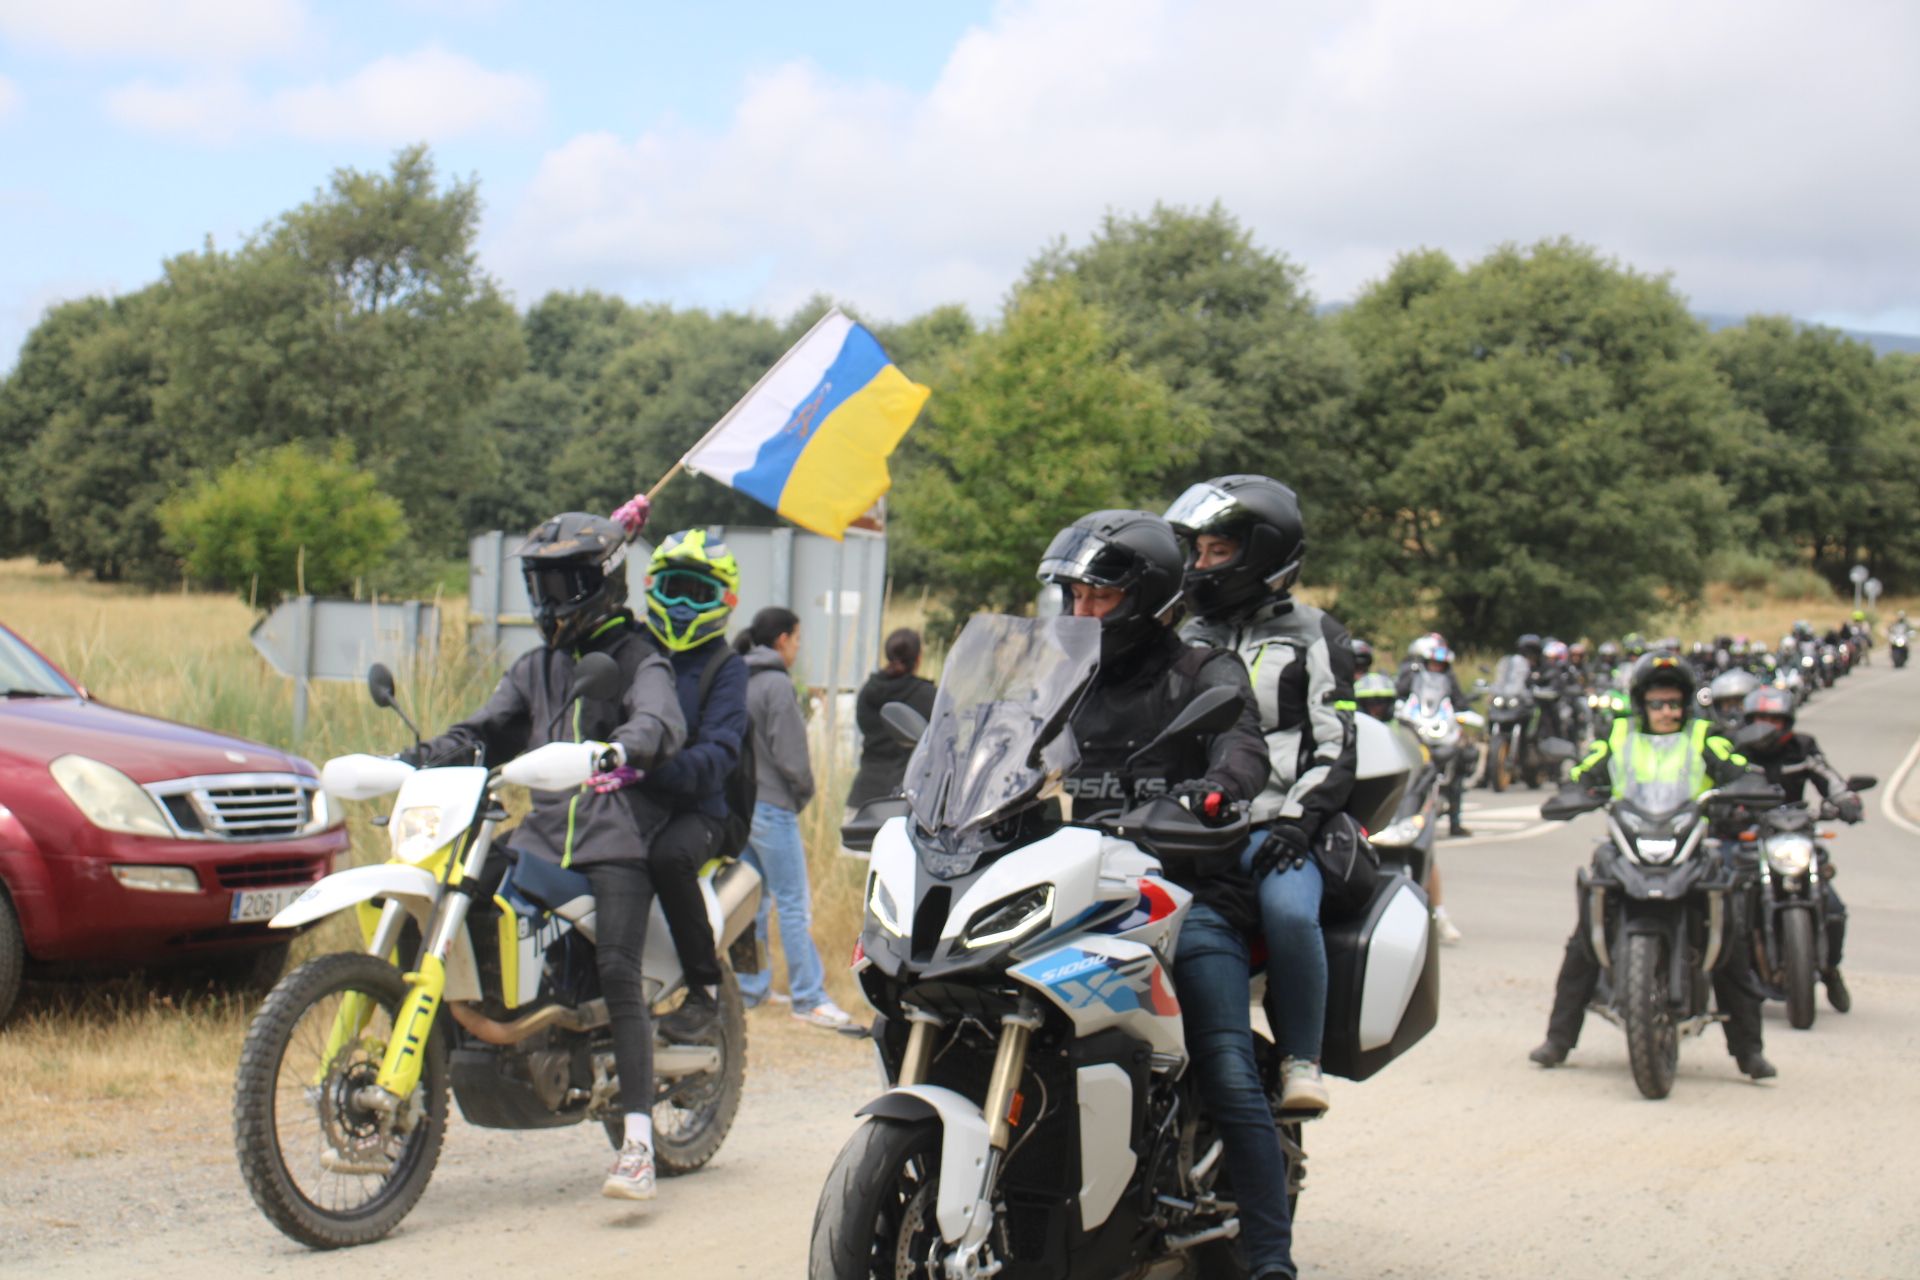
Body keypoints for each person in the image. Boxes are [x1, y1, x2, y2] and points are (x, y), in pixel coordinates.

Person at [1039, 507, 1294, 1280]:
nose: (1084, 611)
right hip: (1077, 885)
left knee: (1224, 1062)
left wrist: (1218, 789)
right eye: (1075, 596)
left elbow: (1242, 744)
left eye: (1101, 596)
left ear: (1148, 600)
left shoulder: (1204, 672)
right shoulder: (1062, 676)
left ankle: (1271, 1259)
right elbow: (1008, 740)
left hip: (1185, 888)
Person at [403, 510, 687, 1200]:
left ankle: (638, 1146)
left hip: (615, 838)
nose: (549, 601)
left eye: (563, 585)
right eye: (540, 585)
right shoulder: (535, 667)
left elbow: (660, 720)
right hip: (540, 837)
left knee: (618, 970)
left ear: (602, 583)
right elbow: (486, 731)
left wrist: (620, 749)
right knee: (449, 902)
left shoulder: (638, 658)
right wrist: (419, 757)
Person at [1167, 475, 1356, 1121]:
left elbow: (1336, 743)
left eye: (1218, 552)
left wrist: (1298, 822)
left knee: (1289, 913)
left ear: (1263, 555)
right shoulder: (1187, 633)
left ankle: (1303, 1059)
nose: (1201, 565)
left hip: (1275, 827)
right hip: (1188, 826)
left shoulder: (1316, 633)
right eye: (1197, 551)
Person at [1529, 654, 1775, 1079]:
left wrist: (1749, 783)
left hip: (1688, 842)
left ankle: (1748, 1051)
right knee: (1585, 938)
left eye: (1674, 703)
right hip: (1629, 840)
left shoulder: (1703, 735)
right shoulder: (1619, 734)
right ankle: (1559, 1039)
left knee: (1729, 937)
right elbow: (1589, 767)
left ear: (1686, 704)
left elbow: (1734, 766)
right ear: (1642, 703)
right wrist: (1575, 788)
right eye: (1658, 703)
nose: (1666, 712)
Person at [634, 527, 751, 1040]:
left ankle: (704, 991)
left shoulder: (727, 667)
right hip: (629, 796)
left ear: (723, 600)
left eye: (698, 593)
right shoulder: (634, 649)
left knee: (668, 857)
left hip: (699, 809)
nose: (682, 605)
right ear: (651, 586)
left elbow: (721, 750)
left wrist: (656, 768)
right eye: (674, 588)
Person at [734, 607, 854, 1030]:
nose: (799, 648)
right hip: (773, 807)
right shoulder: (776, 684)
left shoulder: (738, 678)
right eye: (798, 639)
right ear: (782, 639)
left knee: (752, 904)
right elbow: (791, 756)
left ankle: (750, 987)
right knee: (793, 903)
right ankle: (809, 996)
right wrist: (803, 792)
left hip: (741, 807)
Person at [1740, 684, 1861, 1011]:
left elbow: (1830, 778)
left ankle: (1830, 969)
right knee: (1728, 904)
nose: (1767, 727)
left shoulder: (1803, 748)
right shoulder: (1736, 752)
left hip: (1796, 835)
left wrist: (1846, 801)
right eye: (1761, 720)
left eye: (1775, 720)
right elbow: (1717, 783)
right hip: (1751, 838)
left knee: (1833, 908)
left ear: (1788, 722)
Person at [845, 628, 937, 817]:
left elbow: (864, 726)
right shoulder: (929, 697)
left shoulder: (868, 691)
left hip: (863, 802)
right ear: (918, 658)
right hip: (906, 804)